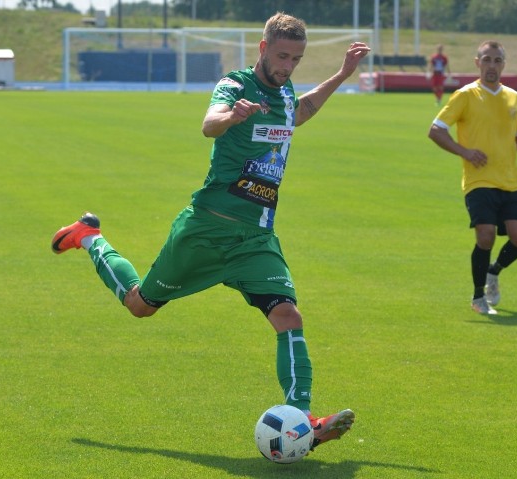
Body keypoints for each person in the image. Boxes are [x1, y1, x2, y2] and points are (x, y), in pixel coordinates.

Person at [50, 12, 370, 450]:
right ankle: (88, 236)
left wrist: (341, 75)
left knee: (288, 316)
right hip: (206, 231)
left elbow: (301, 112)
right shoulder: (236, 85)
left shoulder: (286, 91)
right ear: (262, 48)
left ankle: (304, 420)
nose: (288, 66)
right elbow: (209, 123)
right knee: (140, 305)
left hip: (256, 238)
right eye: (281, 56)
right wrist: (232, 117)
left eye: (296, 59)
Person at [427, 40, 517, 315]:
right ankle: (478, 297)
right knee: (486, 235)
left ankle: (494, 271)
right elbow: (436, 130)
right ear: (477, 62)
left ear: (503, 64)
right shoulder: (465, 96)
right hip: (478, 180)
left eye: (497, 60)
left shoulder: (515, 98)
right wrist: (465, 152)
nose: (491, 65)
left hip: (510, 180)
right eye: (486, 59)